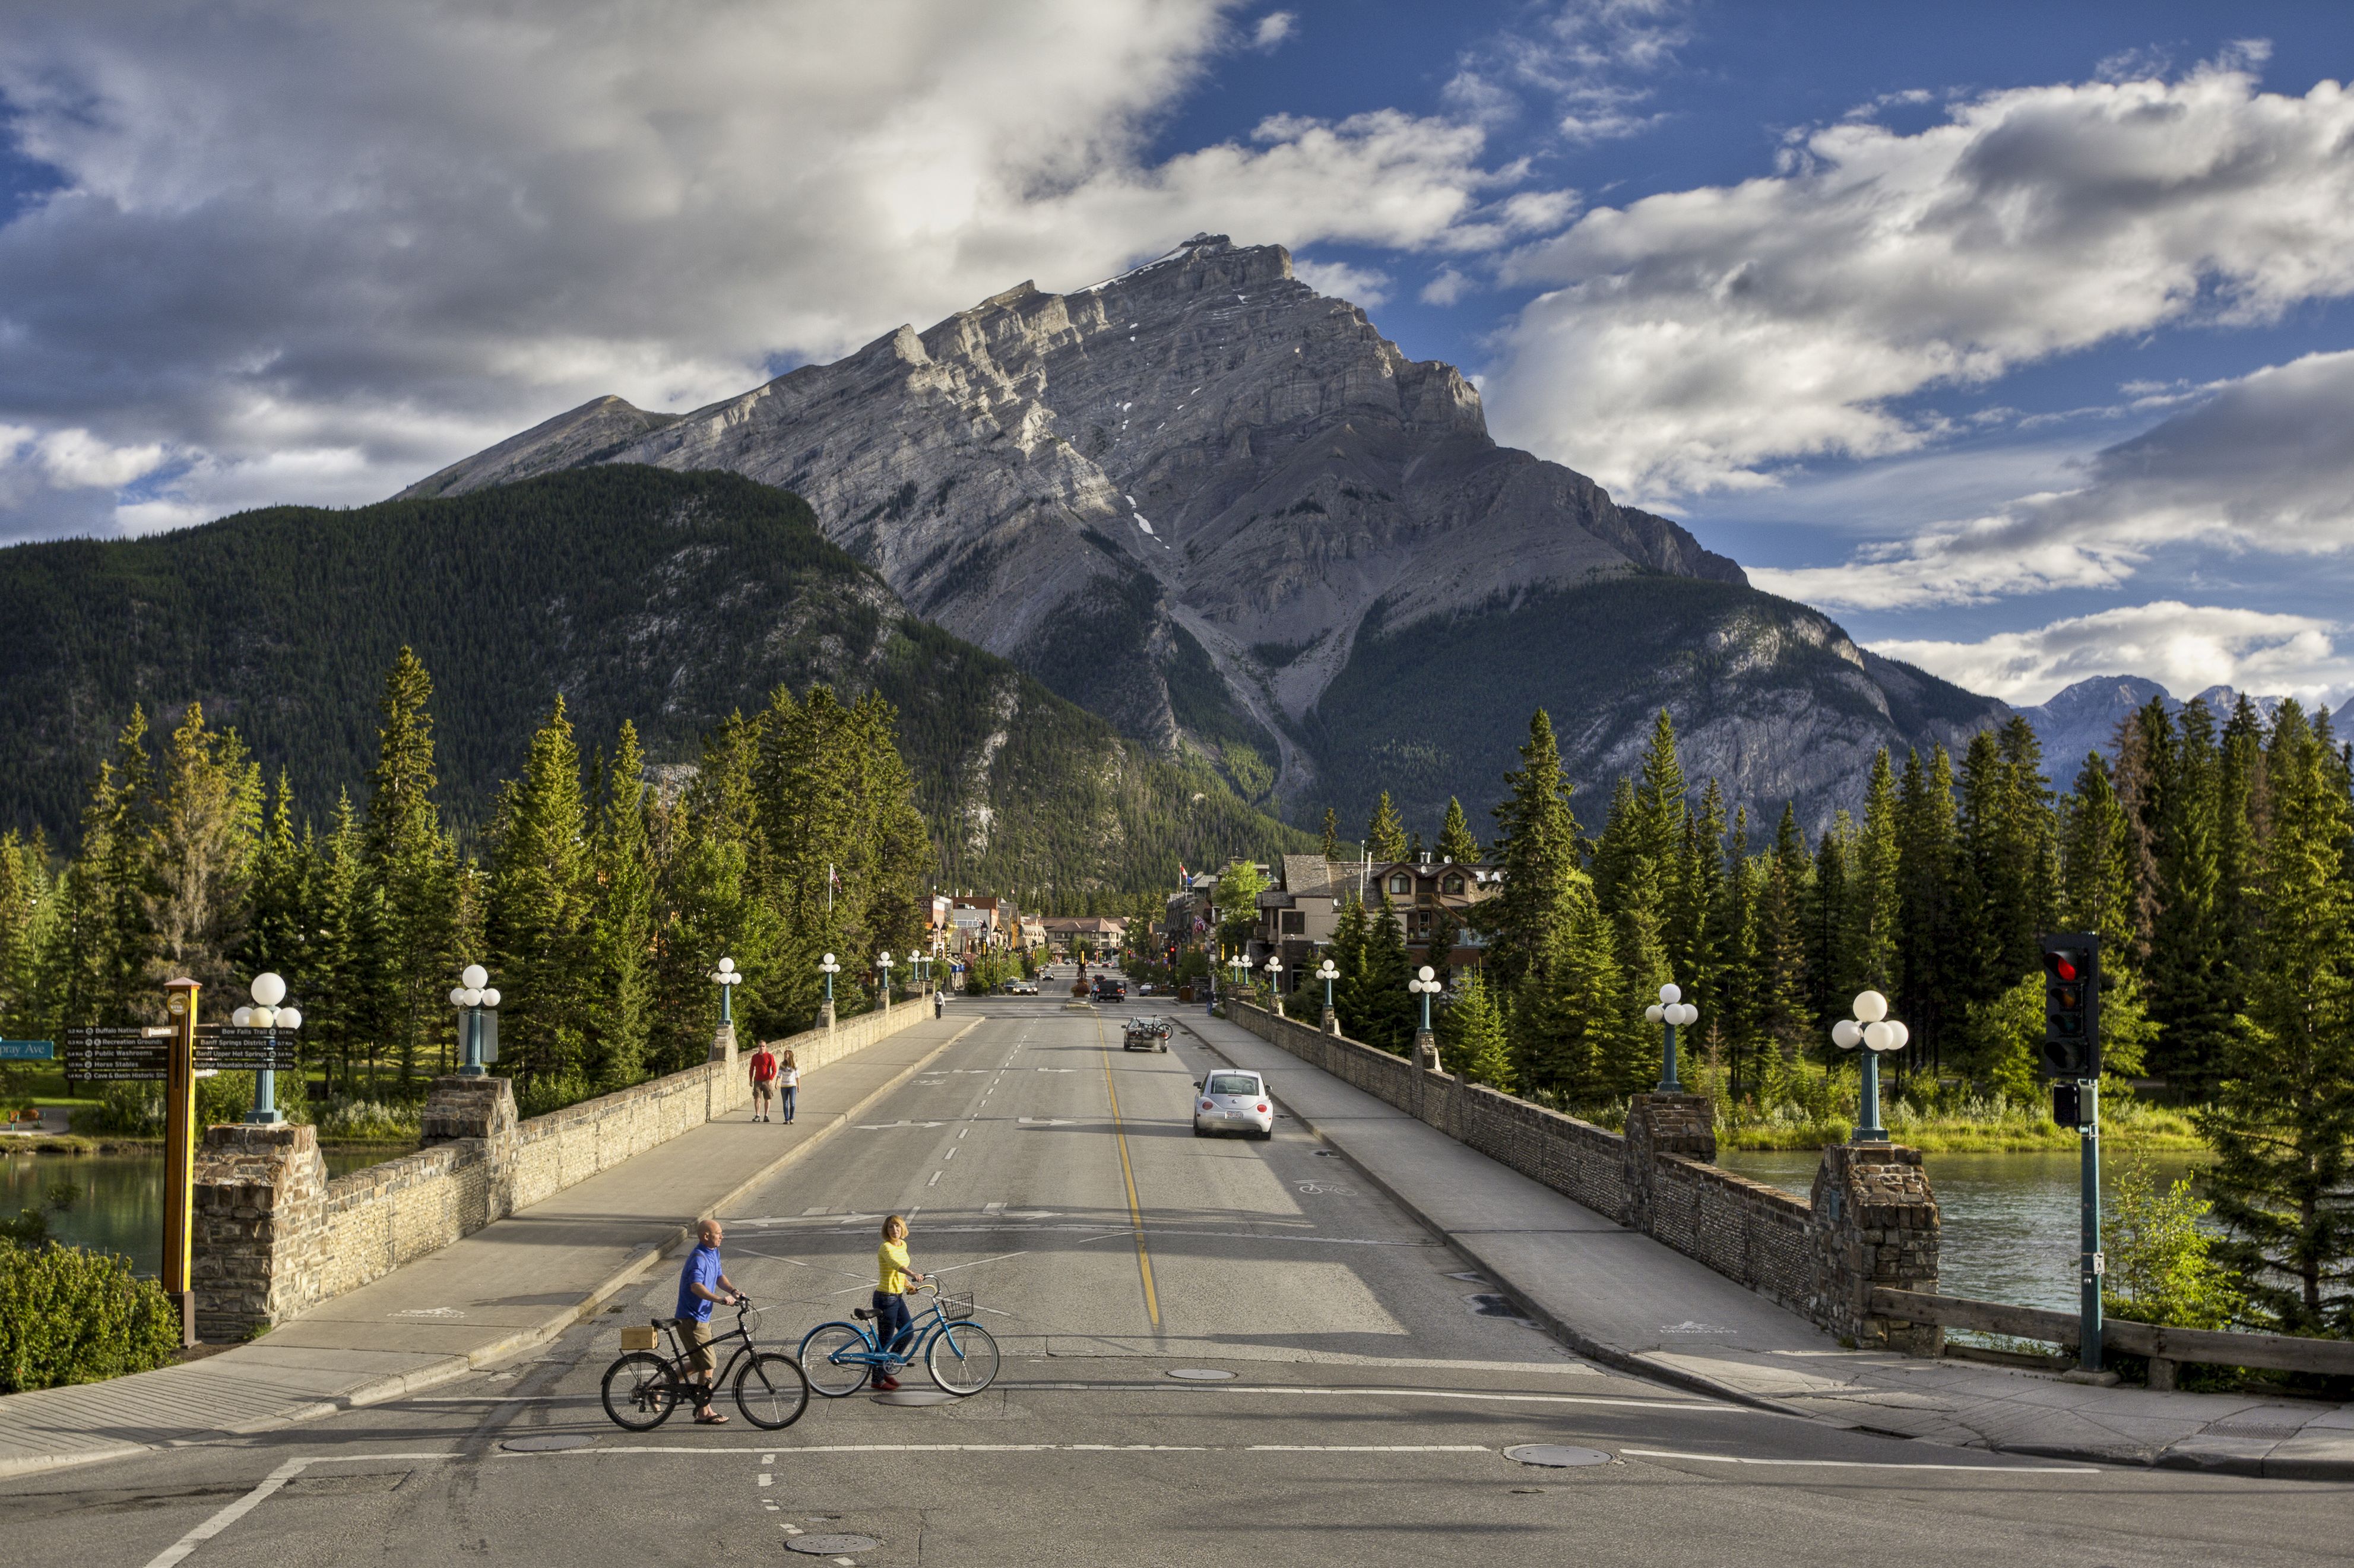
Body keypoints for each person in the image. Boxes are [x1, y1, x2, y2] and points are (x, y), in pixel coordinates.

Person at [674, 1218, 743, 1423]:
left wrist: (733, 1291)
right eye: (718, 1233)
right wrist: (720, 1299)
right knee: (709, 1362)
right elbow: (696, 1286)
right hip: (692, 1319)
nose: (722, 1236)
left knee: (699, 1362)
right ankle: (704, 1412)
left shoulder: (713, 1252)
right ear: (706, 1236)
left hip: (701, 1317)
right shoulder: (699, 1258)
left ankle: (660, 1385)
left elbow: (719, 1277)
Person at [871, 1214, 926, 1392]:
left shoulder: (903, 1245)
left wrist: (909, 1285)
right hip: (885, 1298)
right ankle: (877, 1380)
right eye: (890, 1227)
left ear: (903, 1228)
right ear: (886, 1231)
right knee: (885, 1341)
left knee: (908, 1333)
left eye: (897, 1226)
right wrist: (913, 1274)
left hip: (897, 1296)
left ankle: (887, 1367)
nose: (894, 1230)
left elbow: (899, 1275)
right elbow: (895, 1265)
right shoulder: (885, 1248)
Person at [747, 1040, 778, 1122]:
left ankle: (766, 1115)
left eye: (763, 1046)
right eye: (760, 1046)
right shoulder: (755, 1057)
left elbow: (774, 1069)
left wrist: (771, 1079)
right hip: (757, 1080)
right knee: (757, 1098)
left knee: (767, 1098)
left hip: (767, 1081)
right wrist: (750, 1079)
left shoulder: (769, 1056)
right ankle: (757, 1115)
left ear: (766, 1047)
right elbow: (751, 1069)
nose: (762, 1048)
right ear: (758, 1047)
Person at [777, 1047, 800, 1125]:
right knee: (785, 1103)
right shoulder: (782, 1064)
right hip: (784, 1086)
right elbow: (779, 1074)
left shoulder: (794, 1064)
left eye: (787, 1054)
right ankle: (787, 1119)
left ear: (790, 1055)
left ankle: (792, 1118)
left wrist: (799, 1086)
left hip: (792, 1086)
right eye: (785, 1054)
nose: (785, 1055)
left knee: (792, 1103)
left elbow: (797, 1076)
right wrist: (777, 1083)